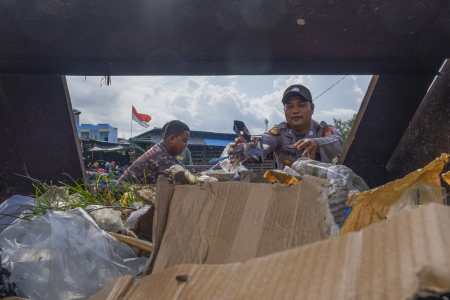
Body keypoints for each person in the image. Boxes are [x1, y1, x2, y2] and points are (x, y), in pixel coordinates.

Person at [238, 84, 343, 170]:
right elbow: (266, 140)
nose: (295, 111)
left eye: (301, 105)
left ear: (312, 108)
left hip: (320, 191)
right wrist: (250, 144)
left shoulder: (322, 130)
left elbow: (338, 141)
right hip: (286, 191)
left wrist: (316, 143)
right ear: (285, 111)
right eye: (289, 106)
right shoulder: (279, 132)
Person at [117, 120, 190, 185]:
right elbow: (183, 183)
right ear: (172, 139)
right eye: (184, 141)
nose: (186, 145)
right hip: (123, 196)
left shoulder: (166, 151)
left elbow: (184, 171)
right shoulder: (160, 156)